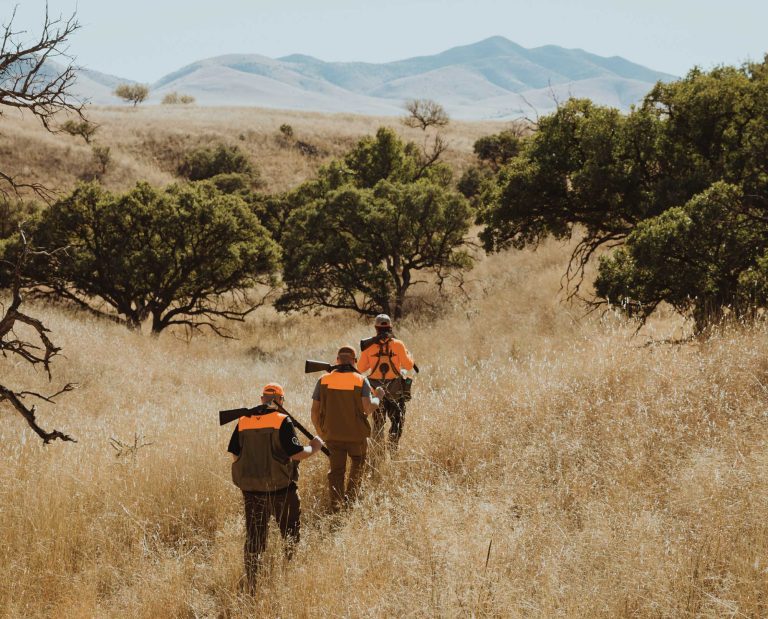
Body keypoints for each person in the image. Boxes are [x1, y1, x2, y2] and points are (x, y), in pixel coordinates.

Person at [227, 382, 325, 593]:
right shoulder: (282, 420)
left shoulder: (243, 421)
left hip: (251, 491)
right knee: (290, 534)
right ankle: (289, 576)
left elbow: (235, 454)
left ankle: (252, 583)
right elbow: (296, 453)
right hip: (282, 490)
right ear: (280, 401)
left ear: (262, 399)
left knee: (254, 538)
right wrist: (314, 447)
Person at [310, 345, 384, 512]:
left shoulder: (323, 380)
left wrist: (321, 433)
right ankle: (350, 503)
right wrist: (378, 397)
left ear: (337, 360)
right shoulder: (360, 380)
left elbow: (314, 411)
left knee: (336, 472)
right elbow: (368, 408)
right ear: (355, 361)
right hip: (357, 436)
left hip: (332, 436)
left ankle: (336, 507)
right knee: (358, 466)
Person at [356, 314, 415, 450]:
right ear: (390, 327)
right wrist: (410, 355)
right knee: (397, 422)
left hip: (375, 392)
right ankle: (393, 450)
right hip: (396, 391)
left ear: (376, 328)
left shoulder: (368, 346)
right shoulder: (398, 344)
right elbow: (409, 366)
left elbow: (360, 368)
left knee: (378, 425)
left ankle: (377, 454)